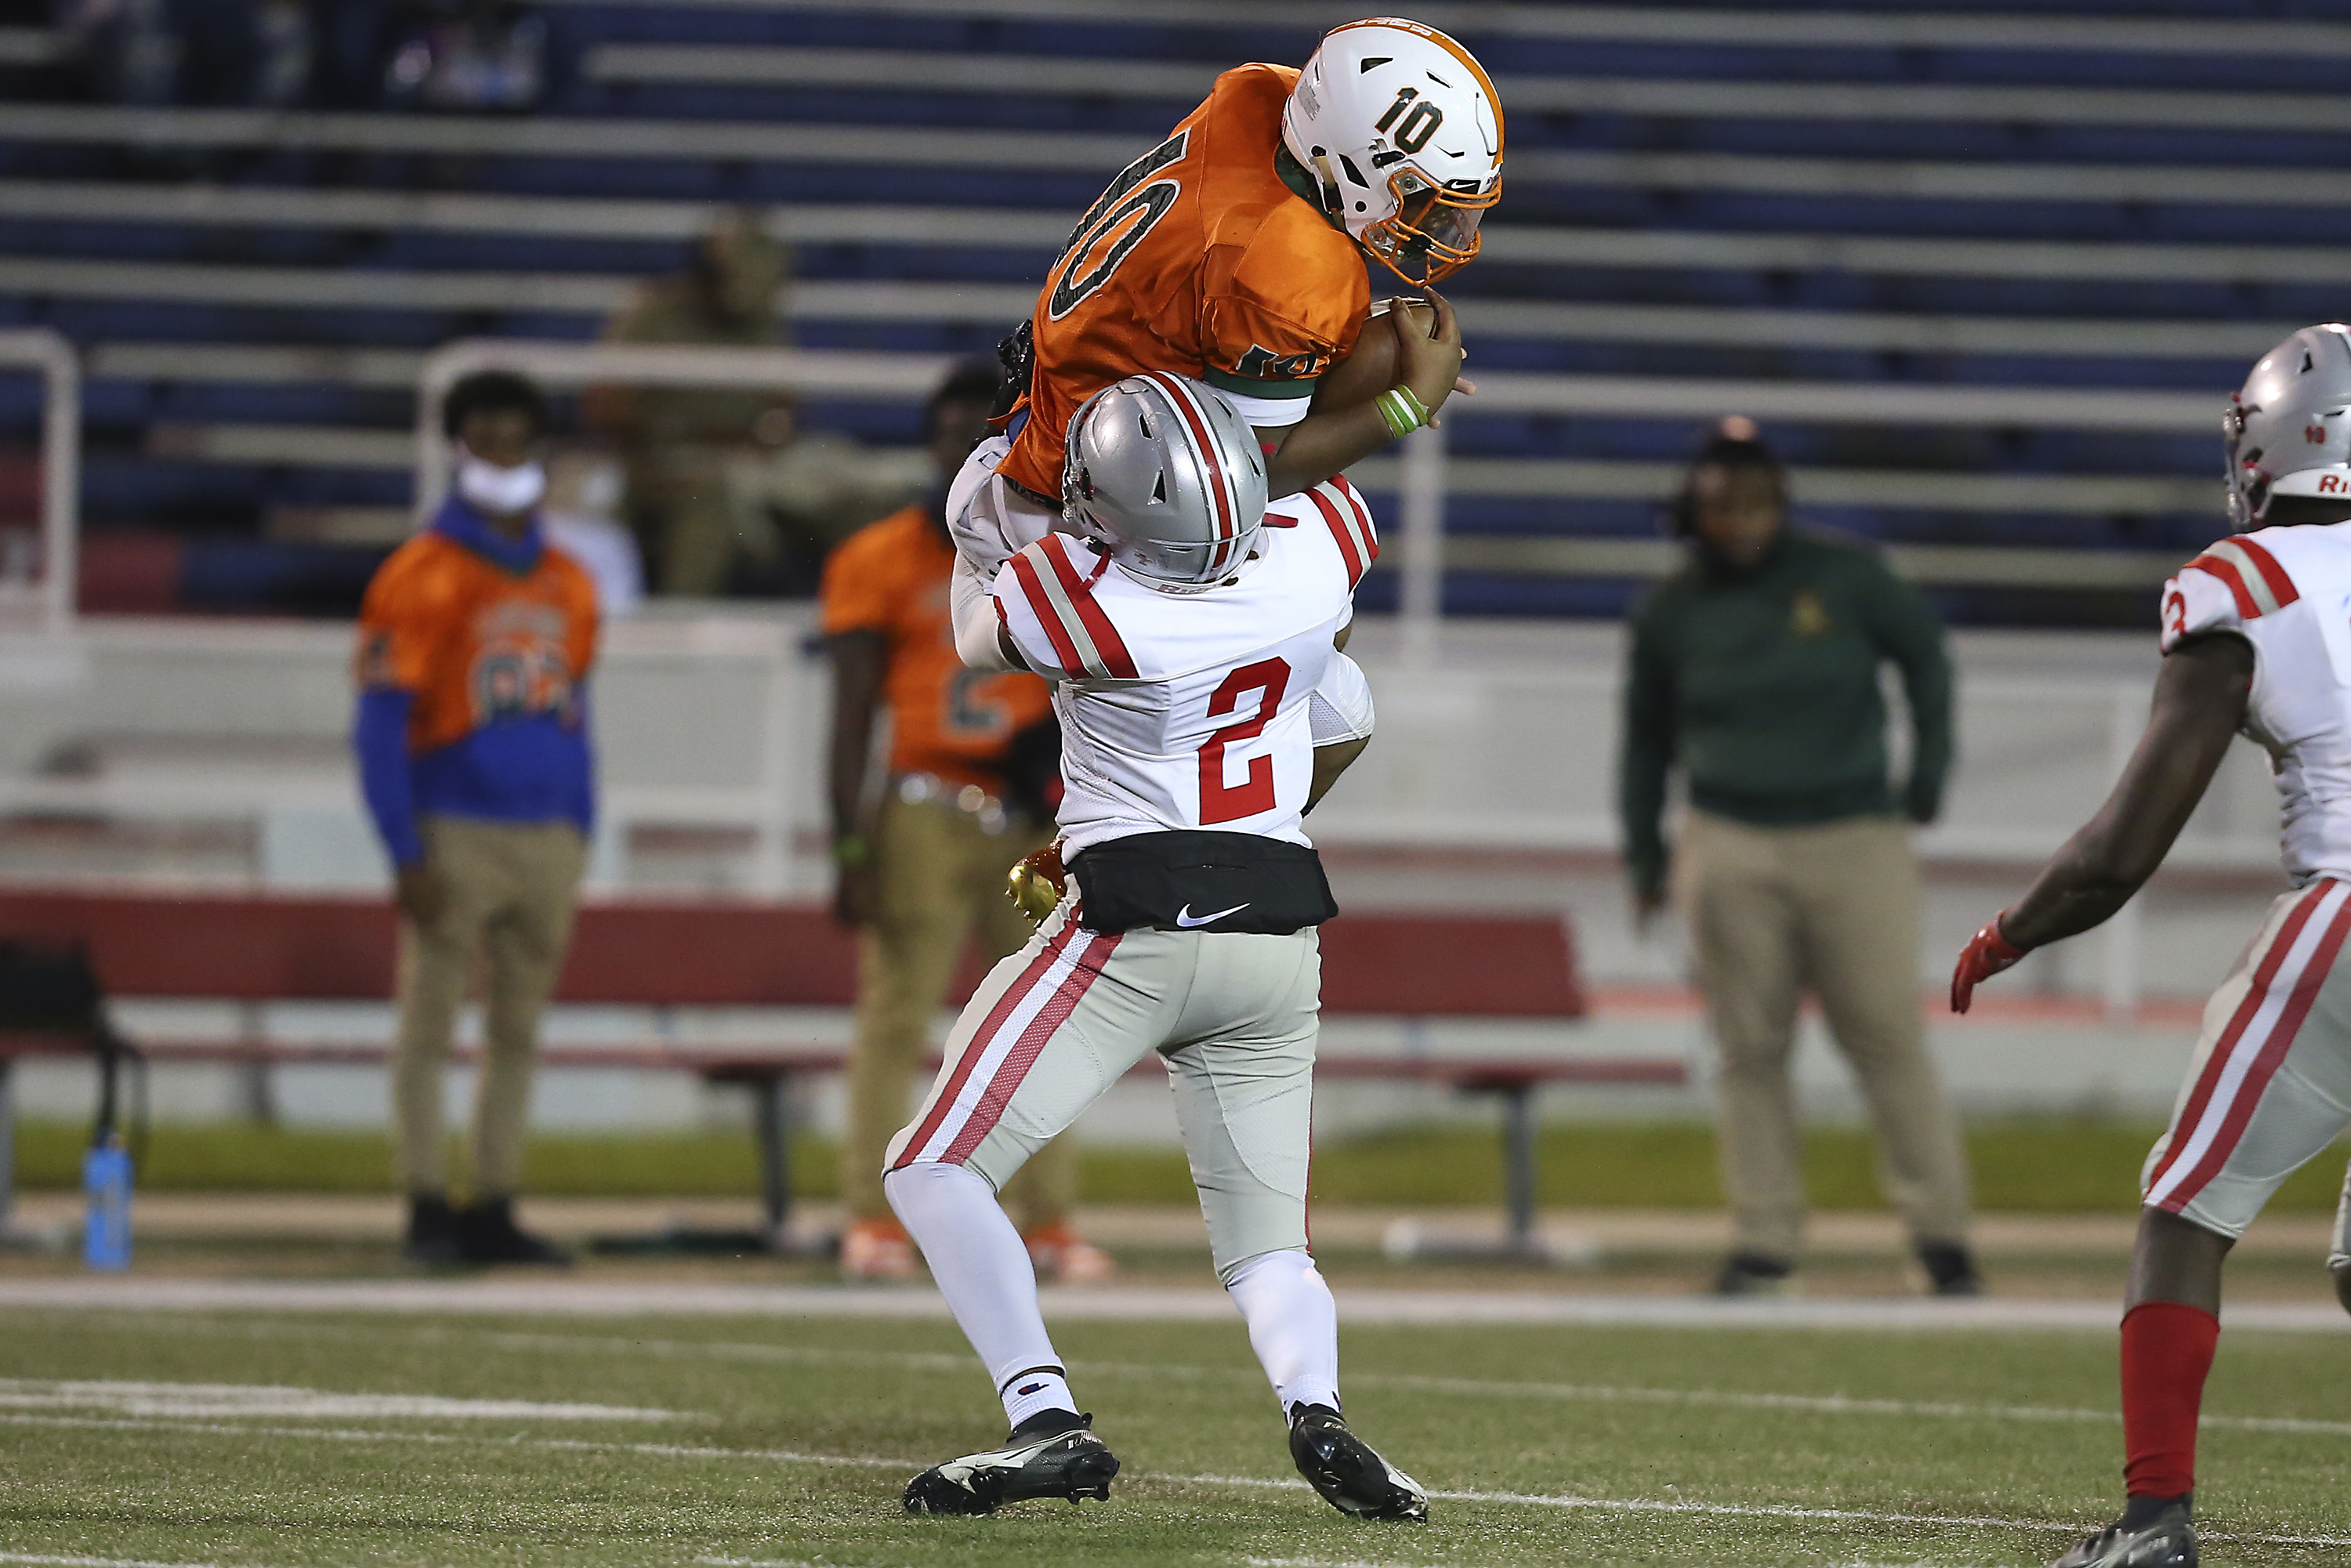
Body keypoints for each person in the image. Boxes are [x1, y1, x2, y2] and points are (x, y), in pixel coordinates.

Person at [886, 374, 1396, 1521]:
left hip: (1138, 921)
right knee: (1269, 1241)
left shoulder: (1083, 593)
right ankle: (1317, 1407)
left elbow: (982, 590)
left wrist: (1011, 450)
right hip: (1276, 919)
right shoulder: (1325, 542)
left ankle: (1045, 1414)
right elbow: (1345, 700)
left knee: (932, 1165)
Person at [1951, 323, 2351, 1568]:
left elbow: (2128, 844)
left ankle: (2154, 1526)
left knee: (2186, 1205)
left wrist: (2010, 931)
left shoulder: (2246, 577)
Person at [1619, 422, 1980, 1298]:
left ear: (1777, 503)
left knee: (1886, 1033)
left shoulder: (1847, 578)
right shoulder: (1673, 609)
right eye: (1719, 506)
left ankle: (1941, 1238)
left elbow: (1928, 661)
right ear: (1693, 512)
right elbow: (1646, 742)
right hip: (1729, 835)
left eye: (1751, 504)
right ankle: (1766, 1237)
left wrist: (1926, 774)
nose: (1737, 522)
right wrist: (1646, 854)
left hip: (1854, 833)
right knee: (1748, 1047)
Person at [949, 16, 1496, 590]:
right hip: (1076, 507)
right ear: (1357, 163)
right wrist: (1407, 404)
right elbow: (1248, 480)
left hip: (1050, 405)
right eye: (1421, 198)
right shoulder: (1292, 267)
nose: (1440, 225)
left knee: (1382, 367)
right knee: (1320, 591)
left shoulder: (1262, 93)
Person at [820, 363, 1110, 1284]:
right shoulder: (878, 558)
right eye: (952, 434)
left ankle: (1048, 1220)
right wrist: (849, 840)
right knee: (896, 1018)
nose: (965, 450)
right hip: (923, 808)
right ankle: (872, 1221)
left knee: (1047, 1023)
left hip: (1030, 814)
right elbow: (852, 711)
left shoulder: (1063, 543)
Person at [353, 369, 597, 1268]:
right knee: (428, 1025)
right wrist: (403, 844)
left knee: (517, 1032)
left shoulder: (570, 576)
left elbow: (576, 708)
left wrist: (582, 817)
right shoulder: (420, 573)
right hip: (455, 825)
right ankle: (426, 1202)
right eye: (486, 431)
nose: (504, 448)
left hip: (545, 833)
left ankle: (492, 1200)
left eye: (517, 432)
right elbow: (380, 723)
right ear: (459, 446)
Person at [590, 209, 793, 596]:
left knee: (840, 493)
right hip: (656, 466)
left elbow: (783, 410)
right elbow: (605, 407)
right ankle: (681, 618)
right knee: (711, 497)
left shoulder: (765, 326)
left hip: (746, 464)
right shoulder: (652, 314)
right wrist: (680, 435)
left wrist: (758, 441)